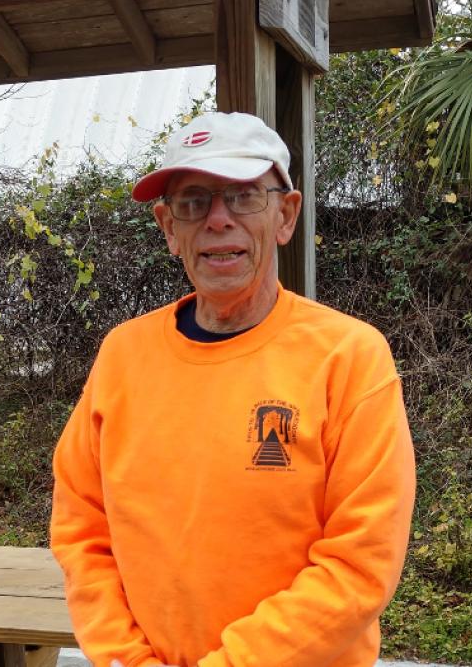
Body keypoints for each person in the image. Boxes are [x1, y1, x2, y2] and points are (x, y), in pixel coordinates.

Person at [50, 111, 415, 667]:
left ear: (286, 215)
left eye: (243, 196)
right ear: (168, 228)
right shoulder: (123, 356)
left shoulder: (349, 357)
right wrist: (123, 656)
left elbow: (359, 563)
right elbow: (81, 529)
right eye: (193, 201)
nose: (217, 220)